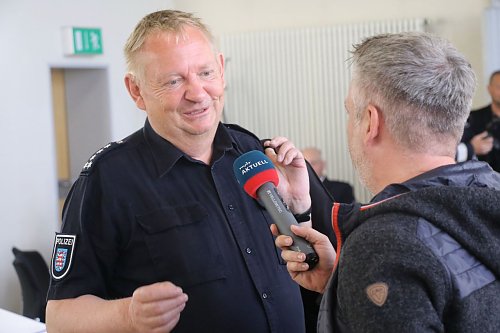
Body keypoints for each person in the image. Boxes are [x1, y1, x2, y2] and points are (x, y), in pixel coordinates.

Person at [45, 10, 325, 333]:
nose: (197, 93)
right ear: (136, 90)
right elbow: (59, 318)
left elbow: (297, 264)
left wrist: (298, 208)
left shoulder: (249, 149)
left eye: (205, 73)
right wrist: (129, 317)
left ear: (221, 69)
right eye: (174, 80)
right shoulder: (107, 181)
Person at [273, 32, 500, 332]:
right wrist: (341, 284)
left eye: (349, 112)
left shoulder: (384, 245)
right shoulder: (488, 193)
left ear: (370, 121)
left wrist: (365, 266)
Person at [457, 70, 500, 172]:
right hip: (481, 181)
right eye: (499, 87)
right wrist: (472, 148)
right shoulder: (471, 118)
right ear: (489, 89)